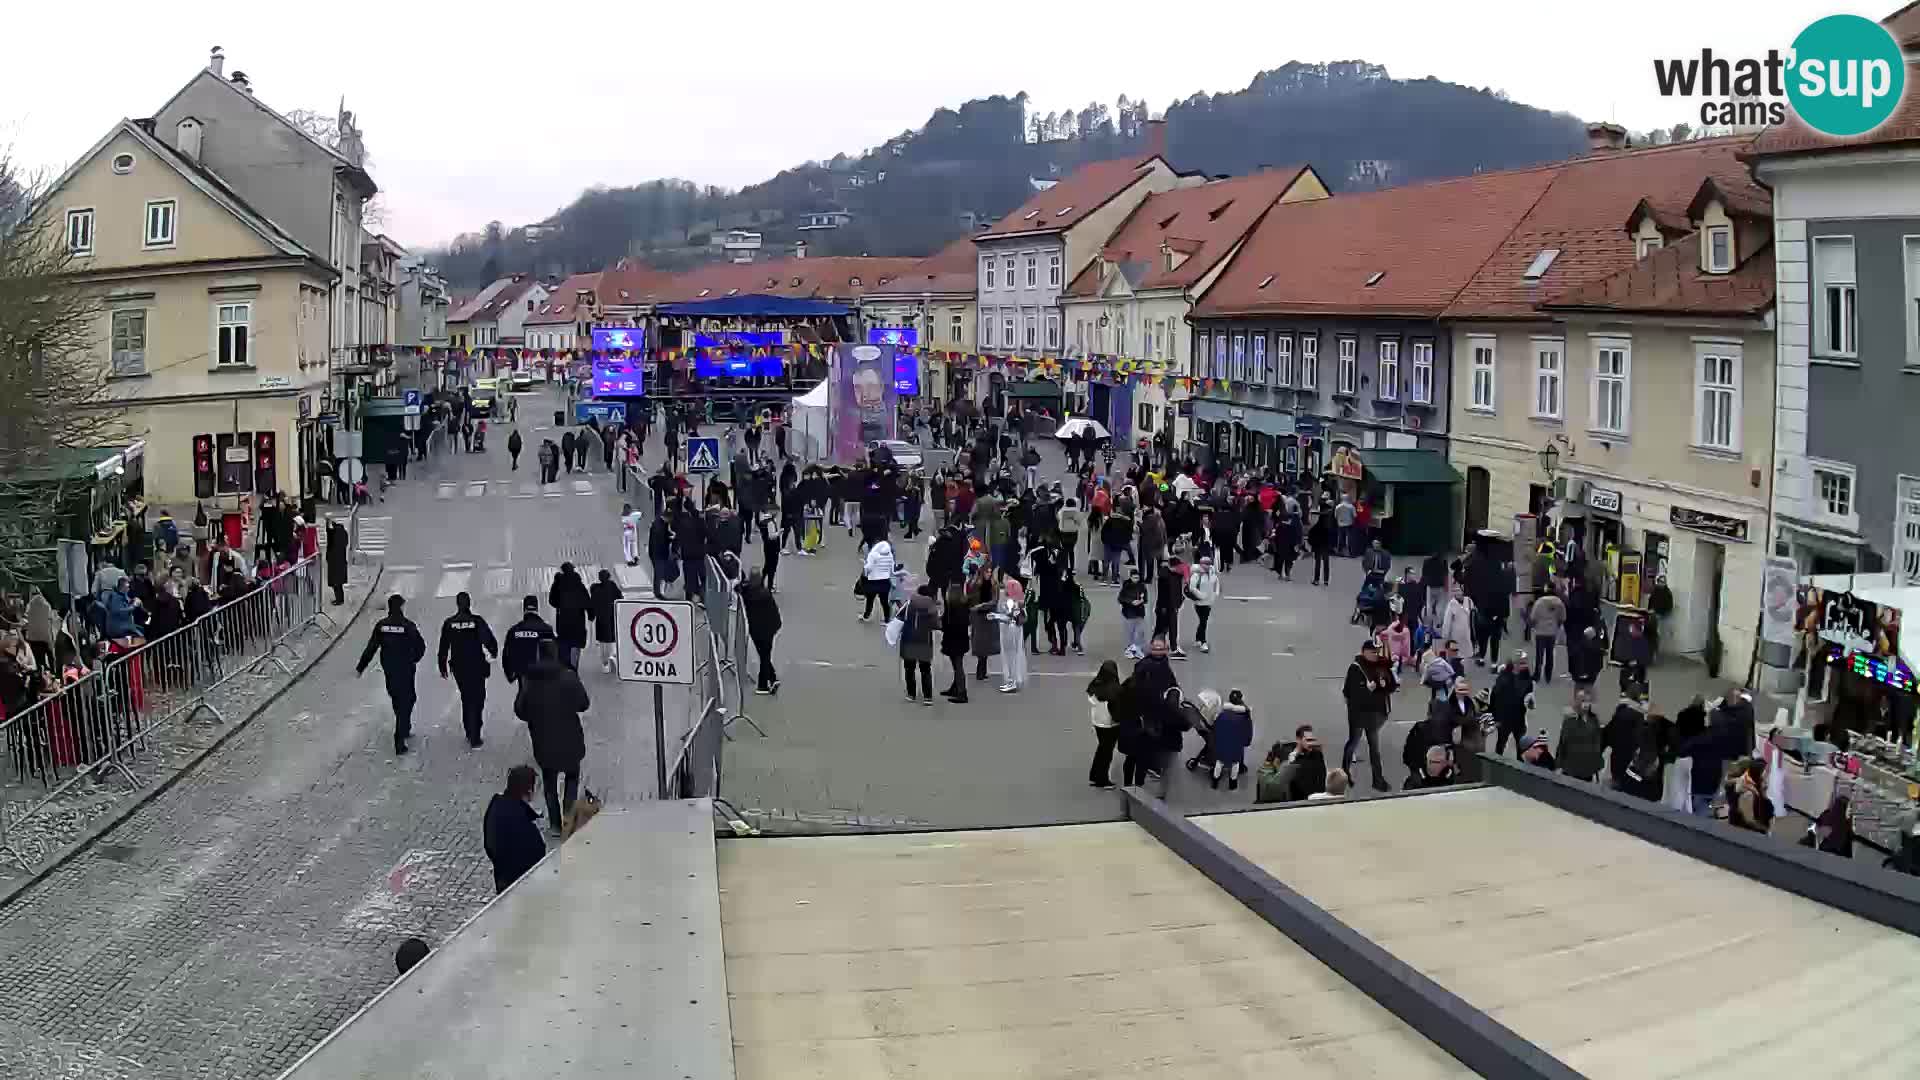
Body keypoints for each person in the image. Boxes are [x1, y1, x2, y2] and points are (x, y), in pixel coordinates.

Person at [515, 639, 590, 835]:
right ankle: (568, 818)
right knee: (572, 778)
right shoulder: (568, 677)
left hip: (543, 739)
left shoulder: (529, 679)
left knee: (549, 782)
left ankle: (555, 824)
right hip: (570, 738)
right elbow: (584, 704)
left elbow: (520, 711)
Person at [356, 594, 427, 754]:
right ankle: (400, 735)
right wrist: (414, 659)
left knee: (397, 698)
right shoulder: (408, 625)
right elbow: (421, 646)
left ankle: (404, 726)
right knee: (408, 699)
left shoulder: (381, 626)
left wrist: (361, 666)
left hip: (390, 668)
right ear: (401, 607)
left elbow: (371, 647)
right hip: (406, 668)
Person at [437, 592, 500, 748]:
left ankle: (468, 729)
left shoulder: (449, 623)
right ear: (469, 604)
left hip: (459, 667)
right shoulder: (477, 621)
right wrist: (493, 651)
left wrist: (442, 665)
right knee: (478, 698)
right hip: (476, 666)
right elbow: (489, 639)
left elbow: (444, 646)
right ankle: (475, 733)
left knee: (466, 697)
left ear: (458, 604)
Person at [1341, 638, 1396, 792]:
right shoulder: (1356, 668)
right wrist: (1367, 690)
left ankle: (1378, 780)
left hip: (1375, 714)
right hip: (1358, 715)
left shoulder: (1382, 666)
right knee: (1353, 743)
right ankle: (1343, 773)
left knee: (1375, 748)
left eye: (1377, 651)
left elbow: (1392, 685)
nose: (1376, 654)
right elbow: (1349, 693)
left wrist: (1386, 684)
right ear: (1364, 652)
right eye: (1373, 651)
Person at [483, 765, 546, 893]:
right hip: (519, 884)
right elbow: (537, 853)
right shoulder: (519, 819)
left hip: (502, 877)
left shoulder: (497, 806)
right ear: (528, 790)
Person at [502, 595, 557, 685]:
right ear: (537, 609)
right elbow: (554, 653)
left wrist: (510, 675)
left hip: (523, 678)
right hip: (542, 678)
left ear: (524, 609)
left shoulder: (515, 630)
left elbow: (507, 655)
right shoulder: (546, 630)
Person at [1489, 651, 1536, 756]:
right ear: (1514, 664)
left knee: (1521, 747)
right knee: (1501, 744)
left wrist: (1531, 703)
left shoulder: (1527, 679)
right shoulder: (1503, 679)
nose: (1524, 666)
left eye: (1525, 663)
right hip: (1504, 719)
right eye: (1521, 663)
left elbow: (1528, 699)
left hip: (1519, 719)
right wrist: (1495, 718)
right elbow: (1494, 698)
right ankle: (1496, 763)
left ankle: (1520, 767)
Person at [898, 583, 938, 705]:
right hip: (924, 641)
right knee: (925, 669)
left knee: (909, 668)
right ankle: (928, 697)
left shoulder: (909, 603)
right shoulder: (931, 607)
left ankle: (911, 694)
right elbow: (936, 624)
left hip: (909, 640)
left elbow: (899, 617)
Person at [1555, 689, 1606, 782]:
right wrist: (1559, 766)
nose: (1586, 704)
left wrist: (1598, 764)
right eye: (1583, 701)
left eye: (1588, 701)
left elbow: (1597, 744)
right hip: (1571, 769)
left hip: (1587, 770)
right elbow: (1562, 744)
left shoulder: (1594, 720)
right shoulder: (1569, 721)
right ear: (1576, 702)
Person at [547, 562, 591, 670]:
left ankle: (565, 669)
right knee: (575, 645)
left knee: (564, 644)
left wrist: (560, 605)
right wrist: (591, 614)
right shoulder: (579, 584)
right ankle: (574, 669)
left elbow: (552, 601)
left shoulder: (558, 584)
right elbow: (587, 601)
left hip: (563, 621)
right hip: (578, 622)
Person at [1210, 689, 1255, 790]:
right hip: (1236, 747)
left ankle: (1215, 781)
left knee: (1219, 762)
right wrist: (1246, 742)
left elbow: (1215, 729)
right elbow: (1248, 733)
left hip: (1222, 744)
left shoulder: (1222, 715)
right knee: (1235, 764)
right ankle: (1232, 783)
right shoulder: (1244, 717)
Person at [1086, 660, 1121, 788]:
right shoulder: (1114, 688)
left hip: (1097, 722)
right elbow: (1117, 709)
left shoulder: (1095, 685)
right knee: (1106, 753)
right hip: (1110, 725)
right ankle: (1102, 779)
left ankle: (1095, 775)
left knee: (1101, 749)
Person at [993, 575, 1028, 694]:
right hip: (1017, 632)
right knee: (1015, 655)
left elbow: (1008, 618)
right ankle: (1014, 680)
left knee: (1009, 657)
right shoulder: (1020, 602)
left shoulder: (1010, 602)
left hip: (1009, 632)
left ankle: (1011, 682)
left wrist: (995, 616)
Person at [587, 569, 624, 674]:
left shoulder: (595, 589)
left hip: (601, 620)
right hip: (612, 618)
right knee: (612, 639)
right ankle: (613, 655)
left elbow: (592, 604)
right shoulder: (612, 586)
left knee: (603, 642)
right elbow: (620, 598)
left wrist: (591, 616)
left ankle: (605, 664)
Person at [1528, 585, 1566, 683]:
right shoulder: (1559, 602)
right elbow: (1562, 618)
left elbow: (1533, 618)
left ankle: (1537, 674)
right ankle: (1548, 675)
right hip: (1552, 632)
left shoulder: (1539, 602)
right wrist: (1556, 626)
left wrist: (1533, 626)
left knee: (1539, 655)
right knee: (1550, 654)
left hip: (1540, 631)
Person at [1153, 554, 1188, 660]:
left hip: (1172, 606)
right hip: (1166, 607)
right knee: (1163, 628)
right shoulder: (1166, 577)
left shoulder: (1175, 575)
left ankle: (1170, 647)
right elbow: (1165, 594)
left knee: (1168, 627)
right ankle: (1170, 649)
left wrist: (1180, 601)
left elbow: (1178, 590)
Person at [1726, 757, 1773, 834]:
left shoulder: (1752, 786)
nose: (1766, 784)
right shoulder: (1747, 792)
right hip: (1746, 832)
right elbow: (1748, 820)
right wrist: (1764, 829)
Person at [1186, 555, 1221, 654]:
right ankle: (1203, 642)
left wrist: (1215, 594)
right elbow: (1192, 588)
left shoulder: (1212, 573)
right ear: (1201, 564)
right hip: (1199, 603)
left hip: (1209, 601)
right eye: (1205, 564)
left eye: (1208, 564)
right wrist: (1201, 596)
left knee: (1203, 621)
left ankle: (1198, 639)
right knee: (1203, 621)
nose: (1207, 566)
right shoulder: (1197, 574)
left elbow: (1217, 582)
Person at [860, 537, 896, 621]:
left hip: (873, 580)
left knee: (870, 600)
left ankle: (866, 616)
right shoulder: (890, 555)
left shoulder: (874, 554)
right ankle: (887, 619)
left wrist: (865, 569)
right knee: (884, 602)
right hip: (885, 581)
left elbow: (868, 568)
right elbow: (892, 569)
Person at [325, 517, 350, 606]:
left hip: (334, 562)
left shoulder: (334, 535)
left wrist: (327, 522)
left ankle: (339, 600)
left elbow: (328, 531)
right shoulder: (343, 534)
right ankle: (340, 599)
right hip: (341, 562)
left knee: (335, 584)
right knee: (339, 584)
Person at [1307, 506, 1334, 586]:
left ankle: (1316, 580)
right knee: (1326, 563)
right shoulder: (1328, 527)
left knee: (1317, 563)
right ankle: (1326, 580)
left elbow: (1310, 537)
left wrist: (1312, 544)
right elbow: (1332, 538)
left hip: (1318, 547)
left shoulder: (1316, 527)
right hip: (1326, 546)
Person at [620, 503, 644, 567]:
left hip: (627, 533)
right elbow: (641, 515)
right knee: (632, 546)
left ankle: (631, 559)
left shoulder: (624, 516)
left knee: (628, 547)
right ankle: (632, 559)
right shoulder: (632, 516)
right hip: (631, 533)